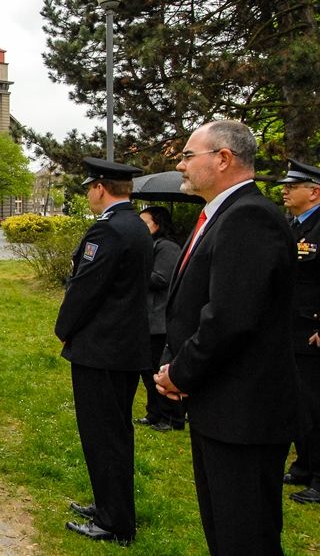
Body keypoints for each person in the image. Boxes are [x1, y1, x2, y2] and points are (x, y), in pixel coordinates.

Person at [154, 120, 298, 555]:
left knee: (245, 535)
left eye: (186, 155)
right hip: (221, 404)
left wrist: (180, 374)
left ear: (222, 158)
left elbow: (231, 318)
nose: (180, 164)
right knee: (225, 529)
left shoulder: (248, 217)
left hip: (244, 412)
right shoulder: (223, 216)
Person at [54, 157, 153, 545]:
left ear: (99, 187)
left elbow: (85, 288)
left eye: (89, 189)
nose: (89, 197)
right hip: (124, 347)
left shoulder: (109, 231)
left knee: (104, 436)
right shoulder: (136, 225)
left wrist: (64, 329)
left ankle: (115, 523)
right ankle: (108, 505)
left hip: (102, 350)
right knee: (113, 433)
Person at [276, 159, 320, 505]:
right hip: (291, 329)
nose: (285, 190)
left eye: (293, 186)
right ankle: (304, 464)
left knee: (316, 405)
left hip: (312, 331)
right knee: (299, 402)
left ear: (314, 191)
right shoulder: (294, 227)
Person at [134, 206, 185, 432]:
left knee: (160, 369)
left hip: (160, 319)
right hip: (147, 318)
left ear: (158, 224)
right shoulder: (151, 246)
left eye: (145, 223)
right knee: (147, 370)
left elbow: (161, 278)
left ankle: (172, 417)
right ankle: (154, 413)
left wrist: (134, 269)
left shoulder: (168, 247)